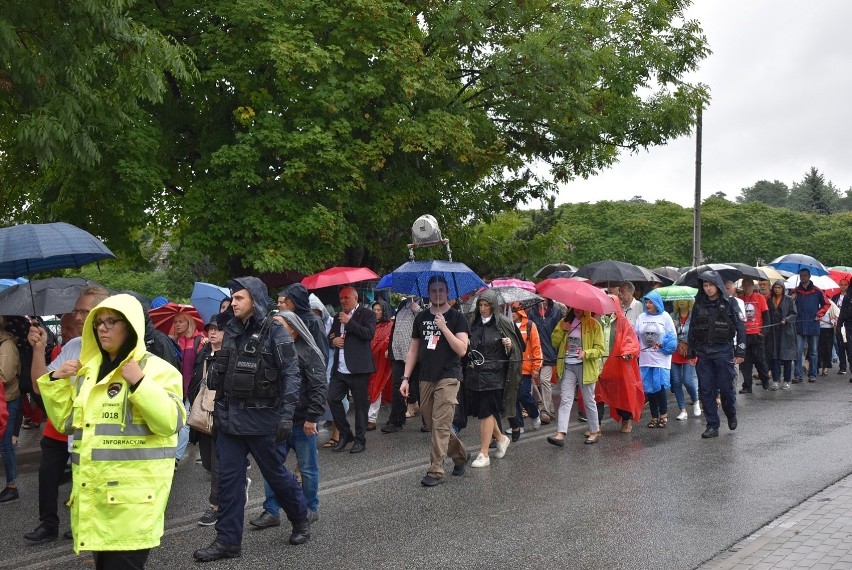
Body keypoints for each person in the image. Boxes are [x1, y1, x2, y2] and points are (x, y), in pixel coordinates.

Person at [37, 294, 185, 569]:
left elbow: (171, 421)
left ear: (129, 325)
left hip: (133, 502)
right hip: (96, 499)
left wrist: (140, 384)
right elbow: (66, 422)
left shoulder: (156, 369)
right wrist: (56, 383)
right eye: (99, 323)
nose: (102, 328)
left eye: (111, 321)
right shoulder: (88, 372)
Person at [193, 277, 310, 562]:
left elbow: (291, 374)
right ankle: (227, 541)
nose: (233, 303)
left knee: (276, 476)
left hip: (262, 419)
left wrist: (286, 415)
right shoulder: (230, 330)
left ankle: (300, 517)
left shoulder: (275, 331)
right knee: (228, 482)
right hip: (231, 419)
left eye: (239, 298)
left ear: (255, 300)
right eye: (232, 298)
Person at [24, 288, 110, 542]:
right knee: (52, 477)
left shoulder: (115, 348)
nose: (77, 317)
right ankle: (51, 524)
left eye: (84, 311)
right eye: (77, 310)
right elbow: (40, 385)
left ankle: (88, 525)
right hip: (67, 429)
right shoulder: (73, 346)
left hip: (102, 438)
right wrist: (39, 350)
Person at [250, 310, 326, 529]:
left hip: (302, 422)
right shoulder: (270, 350)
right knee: (271, 467)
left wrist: (312, 417)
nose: (274, 328)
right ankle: (271, 511)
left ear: (292, 328)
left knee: (307, 468)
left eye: (280, 324)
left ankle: (310, 508)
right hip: (275, 421)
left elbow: (319, 386)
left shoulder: (308, 350)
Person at [400, 276, 470, 486]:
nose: (437, 294)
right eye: (433, 291)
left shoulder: (457, 317)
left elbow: (462, 349)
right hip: (426, 377)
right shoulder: (420, 317)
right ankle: (460, 456)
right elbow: (413, 349)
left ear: (448, 292)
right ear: (428, 293)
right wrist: (405, 378)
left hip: (449, 375)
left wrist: (444, 327)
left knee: (441, 423)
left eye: (441, 290)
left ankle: (435, 470)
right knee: (433, 423)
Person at [687, 271, 746, 439]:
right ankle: (712, 425)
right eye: (705, 286)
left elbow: (741, 328)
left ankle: (731, 413)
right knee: (705, 390)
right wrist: (691, 351)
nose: (708, 289)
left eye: (710, 285)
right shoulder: (699, 303)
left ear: (717, 286)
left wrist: (740, 351)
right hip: (704, 353)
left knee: (727, 390)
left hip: (723, 352)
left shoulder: (730, 303)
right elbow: (692, 329)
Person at [465, 290, 518, 468]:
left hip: (494, 376)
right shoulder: (472, 323)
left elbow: (517, 349)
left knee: (486, 413)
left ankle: (484, 453)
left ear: (493, 306)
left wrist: (509, 346)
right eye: (480, 305)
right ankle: (502, 438)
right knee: (483, 412)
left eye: (486, 305)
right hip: (475, 375)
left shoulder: (503, 323)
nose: (482, 308)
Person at [327, 287, 376, 454]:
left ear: (355, 298)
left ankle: (360, 440)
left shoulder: (367, 314)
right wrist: (333, 341)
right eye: (341, 298)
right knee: (332, 398)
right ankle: (345, 434)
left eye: (346, 298)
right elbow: (331, 336)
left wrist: (350, 322)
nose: (343, 301)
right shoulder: (337, 316)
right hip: (340, 369)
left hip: (359, 368)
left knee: (361, 406)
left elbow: (368, 334)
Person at [548, 306, 605, 446]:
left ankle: (594, 431)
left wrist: (587, 353)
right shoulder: (564, 321)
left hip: (585, 367)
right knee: (566, 399)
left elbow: (600, 349)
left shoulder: (594, 324)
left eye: (581, 307)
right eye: (574, 307)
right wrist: (563, 329)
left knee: (588, 400)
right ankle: (560, 434)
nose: (577, 310)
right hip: (567, 366)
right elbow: (554, 342)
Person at [191, 315, 224, 527]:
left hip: (221, 415)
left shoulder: (229, 355)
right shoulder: (204, 353)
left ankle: (215, 506)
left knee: (218, 463)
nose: (212, 333)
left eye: (217, 329)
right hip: (202, 413)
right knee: (208, 462)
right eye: (210, 329)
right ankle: (235, 484)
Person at [597, 294, 643, 432]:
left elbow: (630, 339)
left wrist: (628, 351)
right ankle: (596, 424)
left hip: (617, 364)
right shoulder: (595, 320)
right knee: (596, 394)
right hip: (598, 363)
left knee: (622, 391)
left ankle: (626, 420)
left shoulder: (623, 322)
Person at [634, 290, 678, 428]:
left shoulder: (665, 317)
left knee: (658, 387)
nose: (647, 305)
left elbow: (672, 337)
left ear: (657, 303)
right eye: (646, 302)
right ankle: (654, 416)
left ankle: (663, 415)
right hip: (645, 357)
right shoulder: (641, 317)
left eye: (650, 302)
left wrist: (664, 343)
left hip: (660, 358)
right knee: (649, 388)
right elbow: (635, 335)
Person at [382, 297, 421, 433]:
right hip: (398, 353)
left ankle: (428, 420)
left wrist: (419, 311)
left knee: (419, 386)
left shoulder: (424, 302)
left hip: (416, 353)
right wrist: (391, 348)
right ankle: (396, 420)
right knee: (397, 386)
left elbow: (428, 324)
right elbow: (395, 328)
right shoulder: (403, 304)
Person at [173, 310, 207, 465]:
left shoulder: (199, 340)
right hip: (177, 388)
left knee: (186, 423)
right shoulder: (175, 342)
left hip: (193, 388)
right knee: (178, 422)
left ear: (189, 323)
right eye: (175, 322)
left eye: (181, 321)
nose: (177, 325)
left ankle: (176, 458)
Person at [527, 298, 564, 423]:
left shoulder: (556, 312)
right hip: (535, 353)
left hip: (549, 353)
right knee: (532, 380)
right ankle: (546, 407)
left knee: (544, 380)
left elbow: (560, 332)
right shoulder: (532, 312)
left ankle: (546, 411)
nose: (541, 299)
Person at [508, 305, 542, 439]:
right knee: (513, 398)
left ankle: (535, 414)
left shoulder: (530, 325)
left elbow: (536, 347)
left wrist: (536, 367)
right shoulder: (507, 325)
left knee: (523, 395)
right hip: (511, 368)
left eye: (514, 310)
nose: (512, 313)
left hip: (526, 369)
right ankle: (518, 425)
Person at [0, 315, 22, 504]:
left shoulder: (6, 345)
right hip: (3, 398)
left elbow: (5, 376)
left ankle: (12, 486)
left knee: (5, 444)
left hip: (7, 399)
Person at [793, 269, 829, 383]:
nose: (803, 277)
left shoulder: (817, 291)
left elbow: (826, 304)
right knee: (798, 351)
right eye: (801, 275)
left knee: (813, 351)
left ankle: (813, 374)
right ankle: (798, 375)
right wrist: (791, 299)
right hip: (799, 324)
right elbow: (788, 305)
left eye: (805, 275)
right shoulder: (795, 291)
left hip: (813, 324)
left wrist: (819, 314)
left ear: (809, 276)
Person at [738, 277, 771, 393]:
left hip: (757, 334)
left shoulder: (760, 298)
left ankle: (765, 380)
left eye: (748, 286)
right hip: (744, 335)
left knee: (760, 360)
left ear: (753, 286)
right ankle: (747, 385)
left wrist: (763, 333)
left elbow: (766, 317)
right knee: (745, 362)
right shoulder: (740, 299)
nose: (747, 288)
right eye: (744, 286)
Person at [670, 298, 701, 420]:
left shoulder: (694, 316)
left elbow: (697, 334)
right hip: (675, 351)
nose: (681, 301)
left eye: (684, 299)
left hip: (690, 351)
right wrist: (673, 328)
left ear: (689, 301)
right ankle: (682, 410)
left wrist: (691, 346)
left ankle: (696, 401)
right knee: (676, 382)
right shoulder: (672, 316)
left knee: (687, 381)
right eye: (679, 299)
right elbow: (667, 334)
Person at [765, 280, 797, 390]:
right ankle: (775, 379)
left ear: (783, 289)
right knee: (774, 356)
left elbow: (794, 313)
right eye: (775, 287)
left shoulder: (789, 300)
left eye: (779, 287)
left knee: (786, 356)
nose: (777, 289)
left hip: (786, 331)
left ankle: (787, 380)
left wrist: (786, 319)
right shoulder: (769, 300)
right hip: (773, 331)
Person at [366, 300, 393, 430]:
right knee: (373, 387)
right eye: (374, 309)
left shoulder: (390, 325)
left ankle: (372, 418)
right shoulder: (369, 324)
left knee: (377, 386)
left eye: (378, 310)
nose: (375, 312)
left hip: (383, 361)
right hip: (369, 360)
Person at [817, 298, 840, 376]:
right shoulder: (816, 302)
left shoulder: (831, 303)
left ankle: (825, 367)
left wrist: (832, 321)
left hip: (828, 329)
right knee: (818, 349)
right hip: (818, 329)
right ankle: (817, 366)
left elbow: (836, 315)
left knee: (827, 349)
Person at [831, 278, 849, 375]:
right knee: (840, 345)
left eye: (845, 285)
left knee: (849, 346)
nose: (843, 286)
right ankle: (842, 366)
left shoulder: (850, 297)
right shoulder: (835, 297)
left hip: (848, 325)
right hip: (838, 324)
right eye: (841, 284)